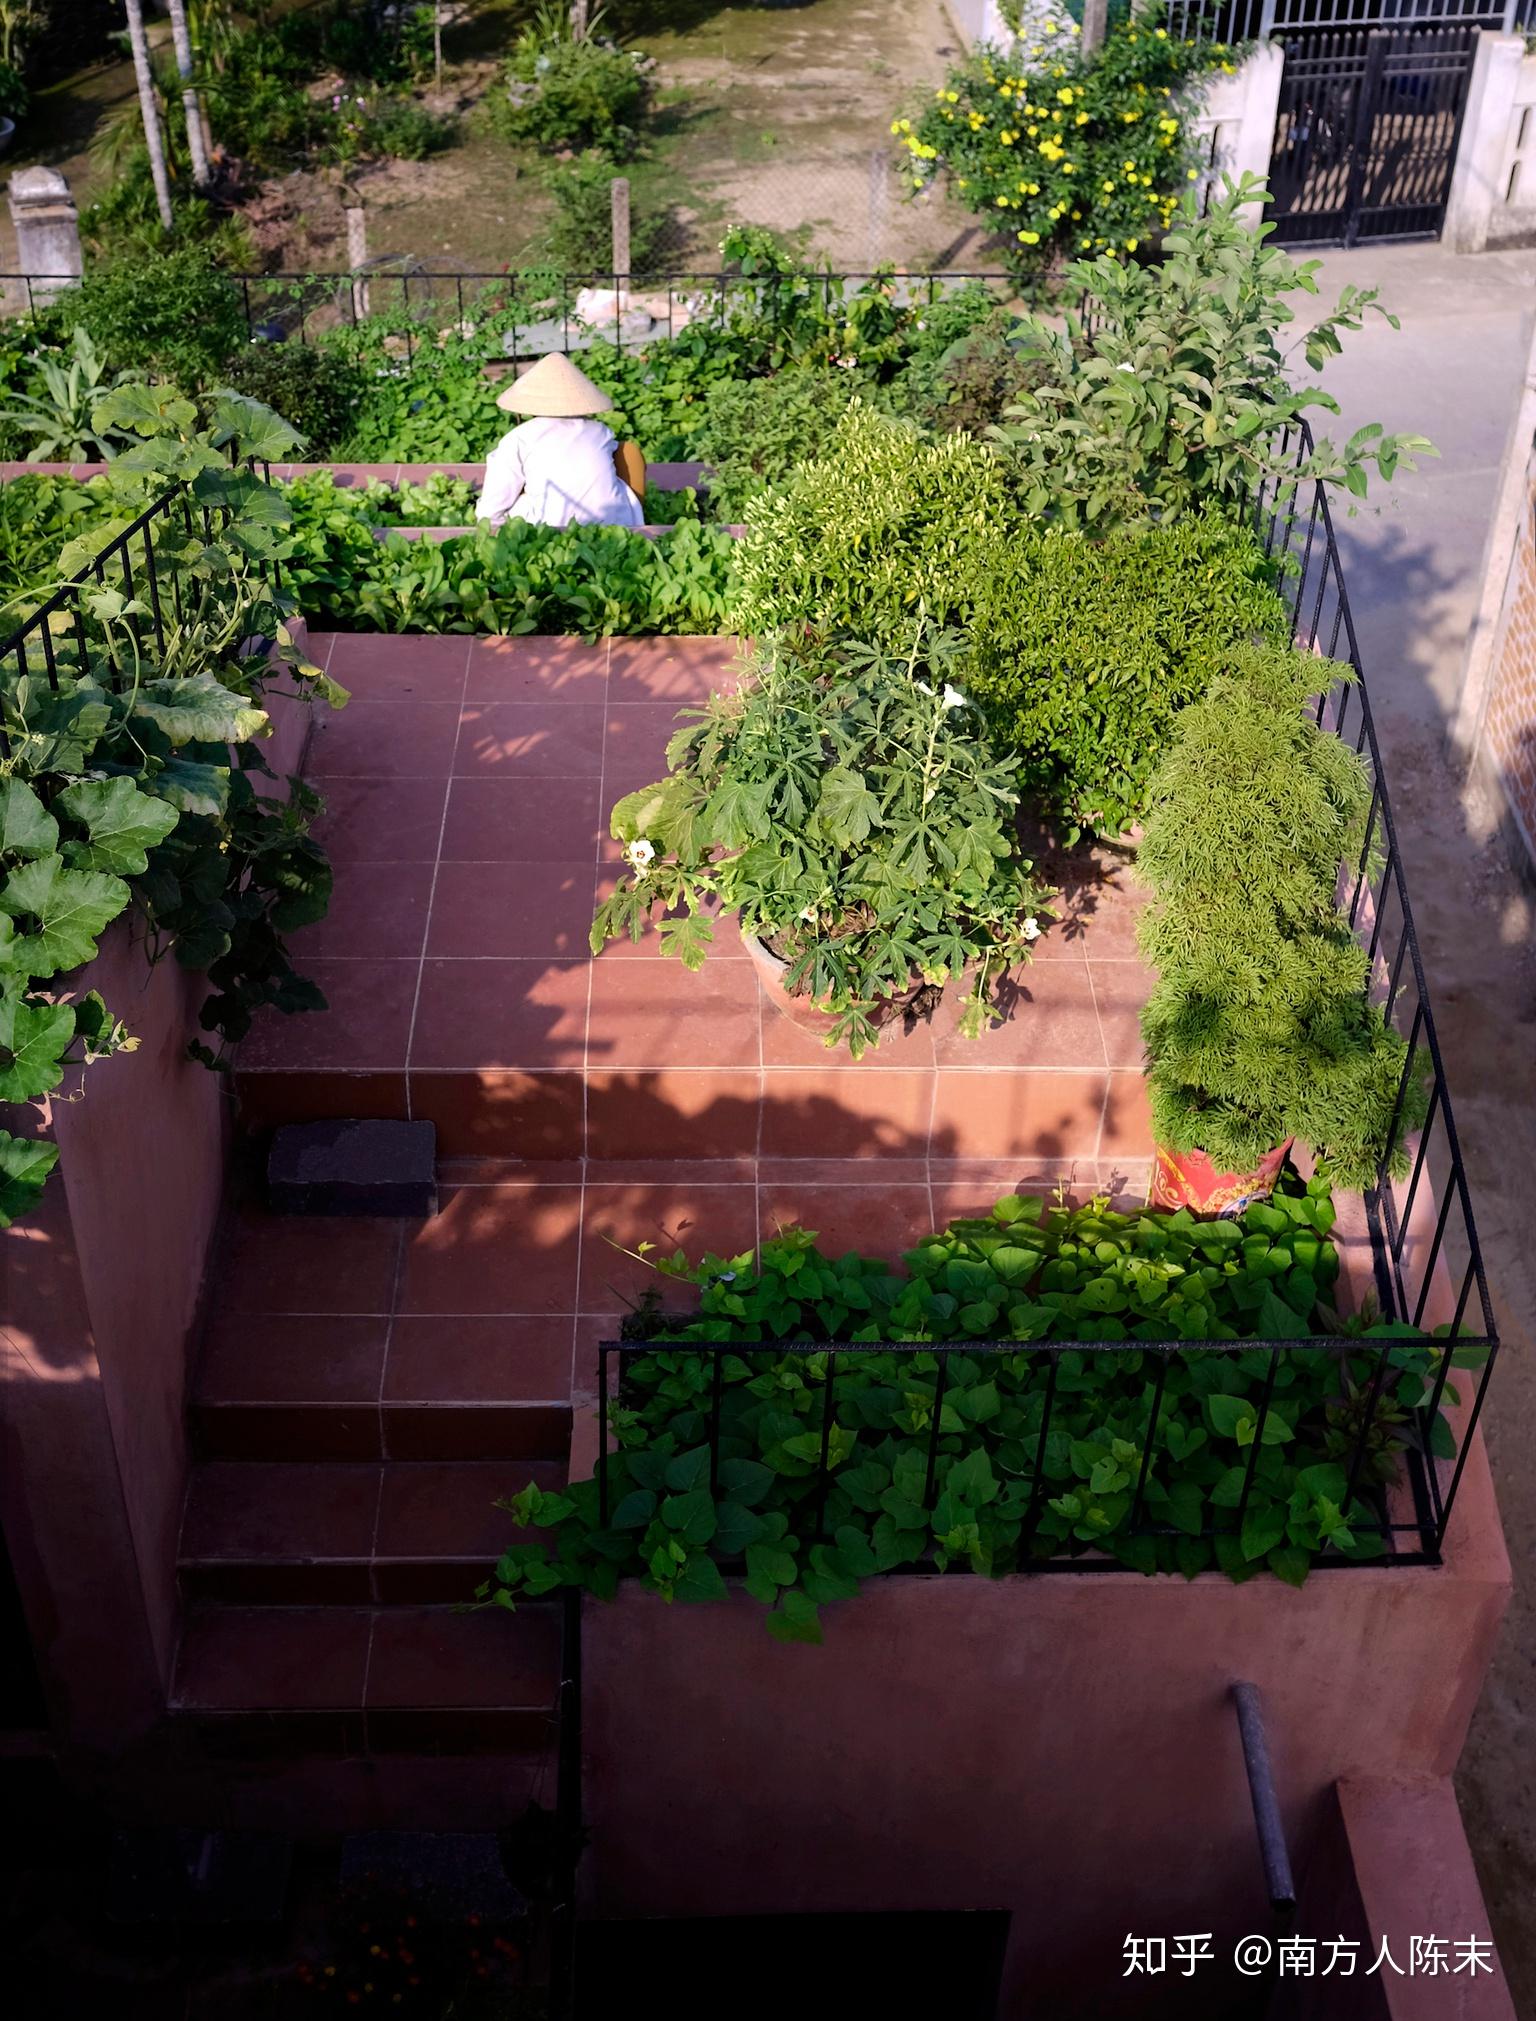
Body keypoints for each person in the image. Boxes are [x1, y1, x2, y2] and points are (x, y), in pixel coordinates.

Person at [475, 351, 646, 530]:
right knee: (627, 453)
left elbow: (491, 510)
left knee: (519, 494)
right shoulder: (600, 431)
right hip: (615, 527)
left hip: (549, 528)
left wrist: (493, 531)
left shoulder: (519, 437)